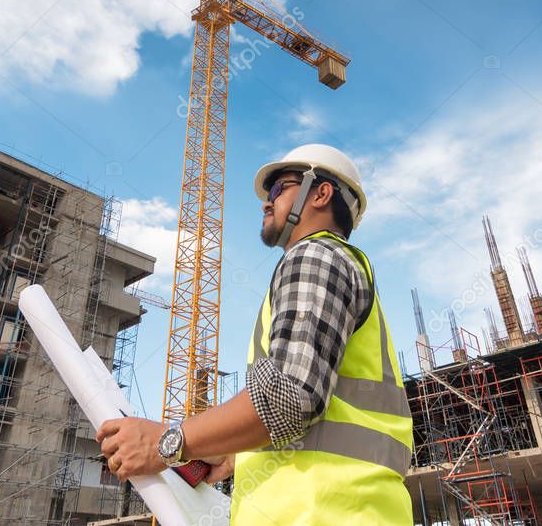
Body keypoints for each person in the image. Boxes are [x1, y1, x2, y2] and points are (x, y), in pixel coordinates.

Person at [96, 144, 413, 524]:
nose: (266, 202)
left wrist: (169, 441)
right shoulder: (336, 264)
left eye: (279, 189)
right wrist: (235, 453)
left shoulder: (314, 257)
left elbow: (287, 399)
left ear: (321, 193)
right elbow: (314, 415)